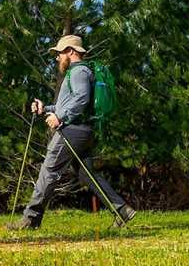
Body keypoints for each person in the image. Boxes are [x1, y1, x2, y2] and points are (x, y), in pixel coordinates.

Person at [8, 35, 136, 230]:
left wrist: (61, 118)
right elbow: (69, 103)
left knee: (49, 170)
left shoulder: (78, 72)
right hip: (83, 130)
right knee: (87, 175)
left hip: (72, 130)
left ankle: (30, 220)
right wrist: (46, 109)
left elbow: (82, 99)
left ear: (71, 52)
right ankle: (122, 210)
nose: (57, 58)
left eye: (59, 53)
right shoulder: (78, 73)